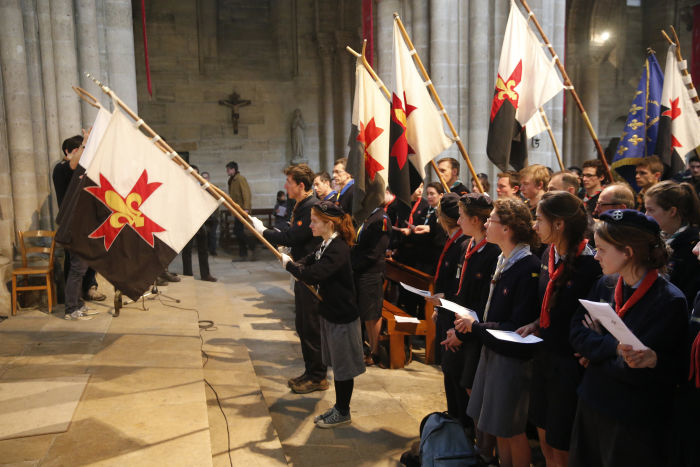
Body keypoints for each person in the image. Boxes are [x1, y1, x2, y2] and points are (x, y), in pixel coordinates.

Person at [568, 209, 688, 467]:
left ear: (628, 252)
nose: (595, 255)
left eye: (601, 249)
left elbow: (635, 369)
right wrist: (612, 348)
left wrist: (596, 352)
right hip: (592, 400)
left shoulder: (668, 300)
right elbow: (576, 332)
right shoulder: (605, 284)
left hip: (630, 416)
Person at [516, 192, 602, 467]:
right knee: (542, 431)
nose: (534, 225)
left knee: (561, 441)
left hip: (569, 363)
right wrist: (536, 324)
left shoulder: (591, 264)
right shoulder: (547, 254)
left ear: (559, 224)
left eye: (539, 219)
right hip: (544, 355)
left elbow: (591, 317)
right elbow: (548, 304)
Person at [459, 198, 541, 467]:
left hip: (511, 356)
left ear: (507, 229)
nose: (485, 223)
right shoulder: (504, 259)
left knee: (511, 429)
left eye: (491, 220)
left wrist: (477, 327)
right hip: (493, 347)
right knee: (496, 426)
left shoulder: (527, 266)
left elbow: (517, 324)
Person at [281, 201, 365, 428]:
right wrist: (296, 263)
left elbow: (314, 274)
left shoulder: (338, 247)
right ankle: (339, 407)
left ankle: (343, 411)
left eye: (315, 221)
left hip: (342, 316)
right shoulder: (327, 242)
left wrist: (291, 267)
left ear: (328, 223)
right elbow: (311, 259)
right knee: (337, 365)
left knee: (343, 367)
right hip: (330, 312)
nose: (310, 225)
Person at [249, 164, 327, 393]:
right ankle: (310, 371)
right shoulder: (302, 204)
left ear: (300, 185)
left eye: (289, 182)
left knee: (310, 326)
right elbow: (296, 237)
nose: (286, 186)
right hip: (301, 271)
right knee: (302, 325)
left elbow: (295, 236)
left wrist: (264, 232)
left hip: (311, 274)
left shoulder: (310, 206)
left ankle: (318, 376)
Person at [439, 193, 500, 459]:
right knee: (453, 377)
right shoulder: (468, 244)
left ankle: (475, 444)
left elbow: (483, 300)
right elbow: (461, 290)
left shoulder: (492, 251)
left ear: (476, 219)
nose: (458, 219)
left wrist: (461, 334)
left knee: (471, 391)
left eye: (463, 215)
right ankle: (457, 432)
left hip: (473, 332)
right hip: (459, 324)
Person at [52, 134, 106, 303]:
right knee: (74, 264)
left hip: (87, 222)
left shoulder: (82, 170)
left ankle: (89, 288)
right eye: (78, 150)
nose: (82, 154)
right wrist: (85, 143)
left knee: (89, 260)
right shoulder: (61, 168)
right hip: (71, 224)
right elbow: (73, 164)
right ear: (68, 151)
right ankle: (72, 301)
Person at [644, 181, 700, 304]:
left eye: (651, 210)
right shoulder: (655, 240)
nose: (645, 215)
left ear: (672, 212)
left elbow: (687, 293)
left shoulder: (693, 246)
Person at [427, 193, 468, 365]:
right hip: (445, 309)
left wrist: (443, 299)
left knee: (452, 367)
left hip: (455, 315)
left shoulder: (463, 243)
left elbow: (459, 282)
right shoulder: (453, 239)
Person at [351, 200, 390, 366]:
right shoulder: (368, 215)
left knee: (372, 313)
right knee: (366, 313)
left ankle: (375, 352)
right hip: (361, 271)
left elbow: (374, 252)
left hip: (371, 272)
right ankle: (368, 348)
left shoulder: (381, 218)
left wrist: (353, 264)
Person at [181, 167, 217, 282]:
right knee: (187, 250)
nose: (195, 176)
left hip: (201, 222)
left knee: (203, 249)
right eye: (193, 174)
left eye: (196, 174)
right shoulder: (184, 188)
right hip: (188, 221)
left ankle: (205, 274)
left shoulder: (203, 188)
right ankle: (187, 274)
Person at [226, 160, 256, 261]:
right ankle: (243, 253)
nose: (227, 171)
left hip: (242, 209)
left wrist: (246, 208)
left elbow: (246, 194)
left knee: (237, 231)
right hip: (237, 210)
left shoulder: (240, 179)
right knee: (238, 231)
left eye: (228, 169)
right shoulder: (232, 180)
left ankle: (251, 245)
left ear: (233, 169)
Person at [200, 171, 219, 256]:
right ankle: (205, 250)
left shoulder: (214, 188)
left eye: (206, 177)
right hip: (203, 215)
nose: (205, 179)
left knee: (212, 234)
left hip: (213, 215)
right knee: (204, 234)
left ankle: (213, 250)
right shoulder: (199, 189)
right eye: (203, 177)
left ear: (209, 178)